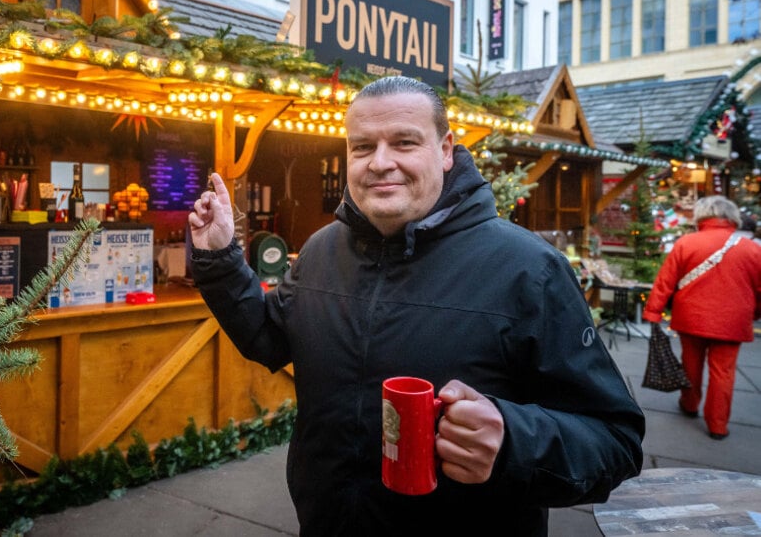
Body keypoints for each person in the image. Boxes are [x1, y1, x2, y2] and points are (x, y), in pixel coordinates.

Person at [188, 76, 644, 536]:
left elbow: (615, 440)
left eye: (404, 142)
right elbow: (270, 338)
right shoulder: (322, 250)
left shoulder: (529, 270)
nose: (380, 163)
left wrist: (512, 440)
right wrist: (221, 261)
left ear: (446, 150)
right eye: (362, 147)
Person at [643, 195, 761, 440]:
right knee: (723, 372)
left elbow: (665, 281)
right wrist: (755, 312)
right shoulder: (752, 249)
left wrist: (653, 311)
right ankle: (718, 425)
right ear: (732, 217)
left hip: (692, 317)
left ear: (702, 215)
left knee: (691, 364)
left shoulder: (687, 243)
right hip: (733, 321)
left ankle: (689, 404)